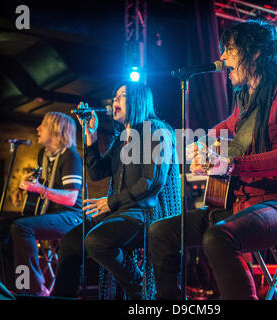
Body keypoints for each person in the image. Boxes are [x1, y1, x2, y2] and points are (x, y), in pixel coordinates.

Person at [148, 19, 277, 300]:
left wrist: (230, 165)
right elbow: (228, 127)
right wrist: (202, 144)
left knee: (218, 237)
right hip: (242, 203)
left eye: (229, 50)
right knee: (160, 232)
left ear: (255, 53)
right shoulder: (247, 99)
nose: (222, 57)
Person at [51, 81, 181, 299]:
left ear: (139, 100)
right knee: (71, 242)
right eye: (115, 96)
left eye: (122, 96)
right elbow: (97, 172)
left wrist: (109, 202)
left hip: (146, 214)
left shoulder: (155, 130)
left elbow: (152, 182)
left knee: (96, 241)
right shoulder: (122, 138)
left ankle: (140, 287)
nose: (114, 100)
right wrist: (91, 139)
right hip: (121, 211)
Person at [10, 111, 83, 296]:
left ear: (55, 130)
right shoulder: (43, 154)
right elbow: (43, 186)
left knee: (21, 228)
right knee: (7, 230)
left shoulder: (71, 156)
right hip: (51, 214)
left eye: (43, 124)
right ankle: (22, 285)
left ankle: (35, 289)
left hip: (71, 217)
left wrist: (40, 189)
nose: (38, 128)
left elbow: (70, 198)